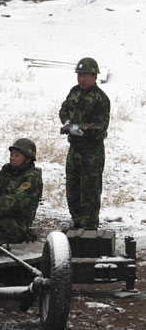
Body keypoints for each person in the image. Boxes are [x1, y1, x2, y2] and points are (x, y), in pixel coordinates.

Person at [59, 57, 110, 230]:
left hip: (91, 151)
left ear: (95, 77)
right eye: (80, 75)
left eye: (87, 75)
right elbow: (63, 110)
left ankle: (89, 226)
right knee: (73, 188)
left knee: (90, 190)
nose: (82, 79)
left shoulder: (101, 98)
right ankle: (77, 221)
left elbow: (101, 125)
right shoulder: (74, 92)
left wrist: (81, 129)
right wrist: (67, 123)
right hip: (74, 149)